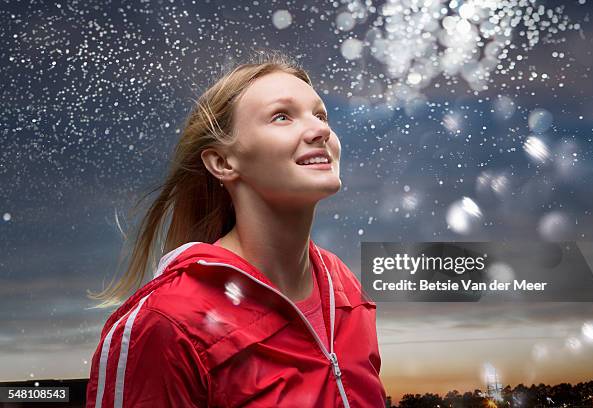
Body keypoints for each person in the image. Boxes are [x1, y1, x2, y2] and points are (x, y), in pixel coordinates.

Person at [85, 49, 387, 407]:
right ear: (222, 161)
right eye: (282, 117)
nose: (321, 129)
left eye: (320, 115)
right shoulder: (164, 322)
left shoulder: (345, 288)